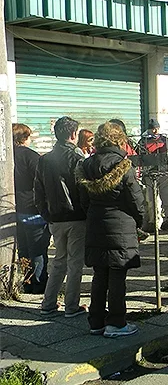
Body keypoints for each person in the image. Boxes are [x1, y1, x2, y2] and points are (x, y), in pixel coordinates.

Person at [76, 122, 145, 337]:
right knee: (117, 276)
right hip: (120, 225)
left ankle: (96, 322)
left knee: (99, 275)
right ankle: (116, 322)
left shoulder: (85, 166)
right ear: (119, 140)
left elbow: (83, 201)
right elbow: (136, 201)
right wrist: (140, 221)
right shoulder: (124, 166)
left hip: (96, 224)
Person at [34, 116, 87, 317]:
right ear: (73, 134)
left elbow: (37, 191)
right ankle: (71, 306)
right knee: (75, 263)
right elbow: (84, 189)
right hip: (76, 217)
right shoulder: (78, 158)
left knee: (59, 261)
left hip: (55, 218)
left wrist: (46, 214)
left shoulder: (45, 159)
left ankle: (48, 303)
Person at [12, 124, 51, 294]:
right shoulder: (31, 156)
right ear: (24, 138)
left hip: (14, 209)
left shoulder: (7, 155)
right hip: (33, 208)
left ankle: (27, 282)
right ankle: (39, 284)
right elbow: (43, 181)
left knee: (24, 248)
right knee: (38, 249)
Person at [137, 118, 168, 233]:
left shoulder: (165, 139)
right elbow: (139, 154)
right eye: (152, 129)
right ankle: (153, 221)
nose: (154, 131)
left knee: (166, 197)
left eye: (156, 129)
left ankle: (166, 220)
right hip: (149, 173)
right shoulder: (143, 141)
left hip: (163, 172)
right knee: (150, 199)